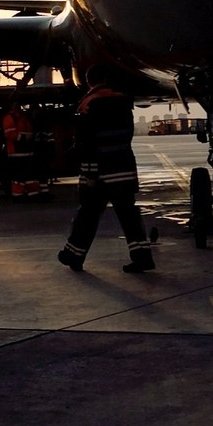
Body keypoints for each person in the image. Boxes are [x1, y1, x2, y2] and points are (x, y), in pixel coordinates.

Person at [58, 69, 155, 273]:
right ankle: (142, 257)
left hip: (100, 173)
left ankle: (73, 254)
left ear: (88, 82)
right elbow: (126, 137)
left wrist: (91, 174)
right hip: (124, 168)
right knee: (129, 216)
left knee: (87, 215)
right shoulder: (123, 103)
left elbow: (86, 145)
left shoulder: (88, 105)